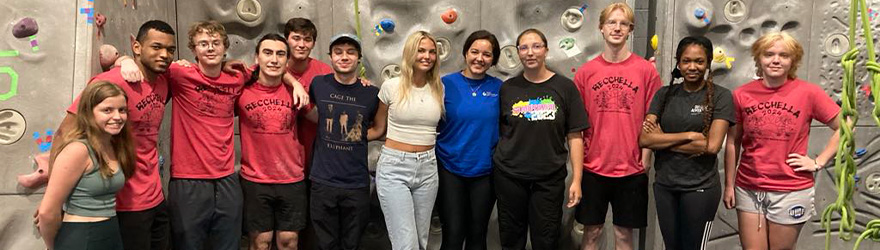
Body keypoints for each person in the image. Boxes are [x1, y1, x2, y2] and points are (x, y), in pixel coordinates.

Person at [49, 20, 176, 250]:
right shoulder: (111, 81)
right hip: (121, 204)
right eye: (156, 47)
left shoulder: (163, 82)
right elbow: (62, 134)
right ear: (137, 47)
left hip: (155, 197)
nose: (164, 54)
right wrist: (53, 199)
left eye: (170, 50)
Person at [724, 32, 840, 250]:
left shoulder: (808, 92)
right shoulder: (741, 94)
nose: (776, 60)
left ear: (792, 60)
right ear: (759, 57)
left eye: (783, 55)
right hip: (749, 188)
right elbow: (733, 141)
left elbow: (844, 127)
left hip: (791, 188)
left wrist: (818, 162)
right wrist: (729, 185)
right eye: (769, 54)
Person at [572, 3, 662, 249]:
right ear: (601, 28)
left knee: (624, 235)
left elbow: (653, 117)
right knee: (591, 233)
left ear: (630, 29)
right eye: (611, 22)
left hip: (631, 169)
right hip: (594, 167)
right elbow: (576, 125)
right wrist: (579, 168)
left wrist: (646, 156)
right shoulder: (585, 73)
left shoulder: (646, 72)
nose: (617, 28)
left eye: (623, 23)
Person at [494, 28, 589, 249]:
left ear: (546, 50)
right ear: (518, 53)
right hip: (509, 176)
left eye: (536, 46)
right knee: (510, 239)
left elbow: (575, 136)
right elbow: (498, 130)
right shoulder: (508, 88)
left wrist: (576, 179)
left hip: (549, 179)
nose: (530, 52)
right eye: (524, 48)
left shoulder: (565, 88)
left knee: (546, 240)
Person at [639, 36, 734, 250]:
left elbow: (711, 146)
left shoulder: (721, 97)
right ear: (678, 63)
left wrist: (661, 140)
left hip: (700, 188)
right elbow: (645, 138)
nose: (692, 67)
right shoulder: (664, 95)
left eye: (699, 61)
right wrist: (690, 136)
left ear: (708, 63)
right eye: (686, 61)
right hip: (665, 187)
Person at [368, 30, 444, 250]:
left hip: (428, 167)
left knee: (421, 241)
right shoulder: (391, 86)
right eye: (421, 50)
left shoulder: (439, 89)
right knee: (406, 244)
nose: (427, 56)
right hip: (394, 168)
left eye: (432, 52)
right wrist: (347, 139)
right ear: (410, 52)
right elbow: (379, 129)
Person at [37, 81, 135, 250]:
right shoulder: (77, 150)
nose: (118, 117)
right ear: (89, 113)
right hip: (82, 236)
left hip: (110, 231)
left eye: (122, 110)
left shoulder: (114, 146)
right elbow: (47, 213)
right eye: (107, 110)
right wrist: (53, 247)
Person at [305, 33, 380, 250]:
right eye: (338, 52)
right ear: (330, 57)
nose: (344, 57)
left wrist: (354, 136)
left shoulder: (371, 93)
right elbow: (304, 108)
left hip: (356, 182)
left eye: (350, 52)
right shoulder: (318, 84)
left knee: (352, 244)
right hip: (322, 181)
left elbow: (379, 127)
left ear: (359, 58)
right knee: (324, 243)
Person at [235, 33, 307, 250]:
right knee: (260, 242)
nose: (274, 59)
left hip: (292, 179)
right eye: (267, 53)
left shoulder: (297, 92)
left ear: (287, 60)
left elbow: (320, 117)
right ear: (256, 58)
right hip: (255, 180)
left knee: (289, 241)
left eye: (280, 54)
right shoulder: (241, 91)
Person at [435, 30, 502, 250]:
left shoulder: (500, 88)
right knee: (453, 234)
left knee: (477, 235)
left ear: (493, 60)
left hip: (485, 171)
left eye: (487, 54)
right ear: (465, 53)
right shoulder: (445, 84)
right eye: (474, 52)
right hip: (449, 168)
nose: (479, 59)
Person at [284, 17, 333, 168]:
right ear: (286, 40)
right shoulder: (273, 68)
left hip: (315, 157)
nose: (301, 45)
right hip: (282, 157)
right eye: (296, 38)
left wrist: (363, 82)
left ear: (313, 43)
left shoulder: (324, 72)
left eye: (307, 39)